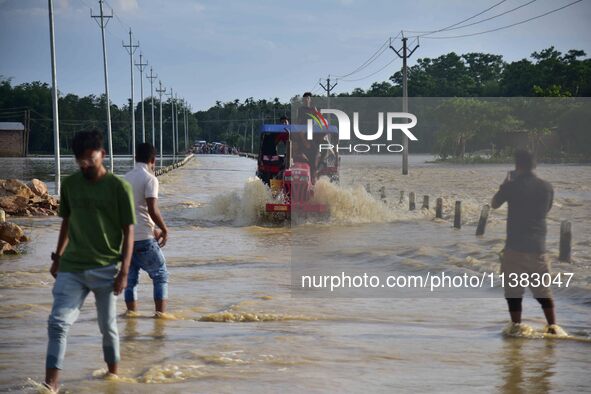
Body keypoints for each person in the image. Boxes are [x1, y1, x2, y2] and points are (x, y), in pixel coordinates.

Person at [44, 130, 135, 392]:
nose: (84, 163)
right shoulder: (71, 184)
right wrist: (58, 257)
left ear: (102, 155)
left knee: (107, 327)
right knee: (58, 323)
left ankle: (113, 380)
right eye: (79, 159)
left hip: (106, 268)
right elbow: (67, 221)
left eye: (89, 158)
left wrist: (124, 272)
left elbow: (129, 230)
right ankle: (50, 386)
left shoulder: (119, 187)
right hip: (71, 267)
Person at [491, 149, 557, 333]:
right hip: (539, 248)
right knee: (543, 292)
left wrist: (504, 185)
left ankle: (517, 328)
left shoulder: (512, 186)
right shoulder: (547, 187)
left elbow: (495, 203)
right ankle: (553, 326)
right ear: (535, 165)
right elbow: (547, 209)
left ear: (517, 165)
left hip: (515, 249)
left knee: (513, 293)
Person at [124, 143, 170, 316]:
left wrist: (154, 229)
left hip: (128, 239)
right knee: (160, 275)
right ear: (153, 160)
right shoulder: (150, 179)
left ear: (135, 158)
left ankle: (131, 316)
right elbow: (152, 208)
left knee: (130, 281)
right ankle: (160, 317)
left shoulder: (126, 178)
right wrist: (164, 229)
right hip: (145, 239)